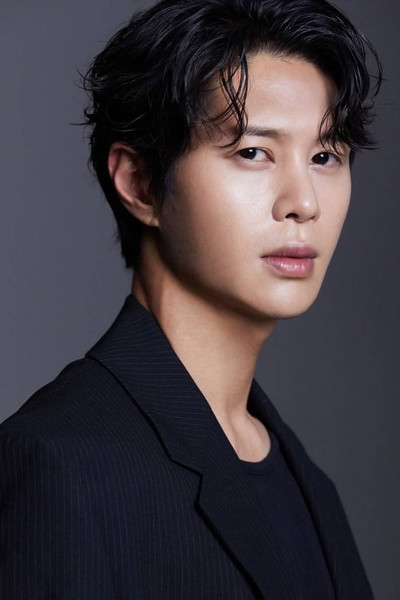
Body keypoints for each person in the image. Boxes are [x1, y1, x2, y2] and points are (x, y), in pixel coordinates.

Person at [0, 0, 382, 598]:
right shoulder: (60, 461)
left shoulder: (308, 484)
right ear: (141, 183)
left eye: (325, 156)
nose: (304, 202)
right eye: (253, 152)